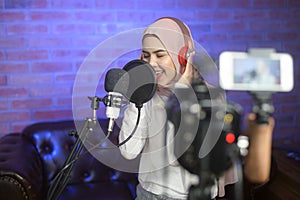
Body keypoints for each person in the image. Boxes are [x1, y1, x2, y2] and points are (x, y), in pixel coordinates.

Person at [118, 17, 275, 200]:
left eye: (160, 55)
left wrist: (183, 91)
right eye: (146, 56)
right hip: (147, 194)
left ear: (182, 55)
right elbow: (128, 152)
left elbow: (197, 157)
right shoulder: (145, 96)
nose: (152, 63)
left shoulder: (209, 97)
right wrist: (139, 96)